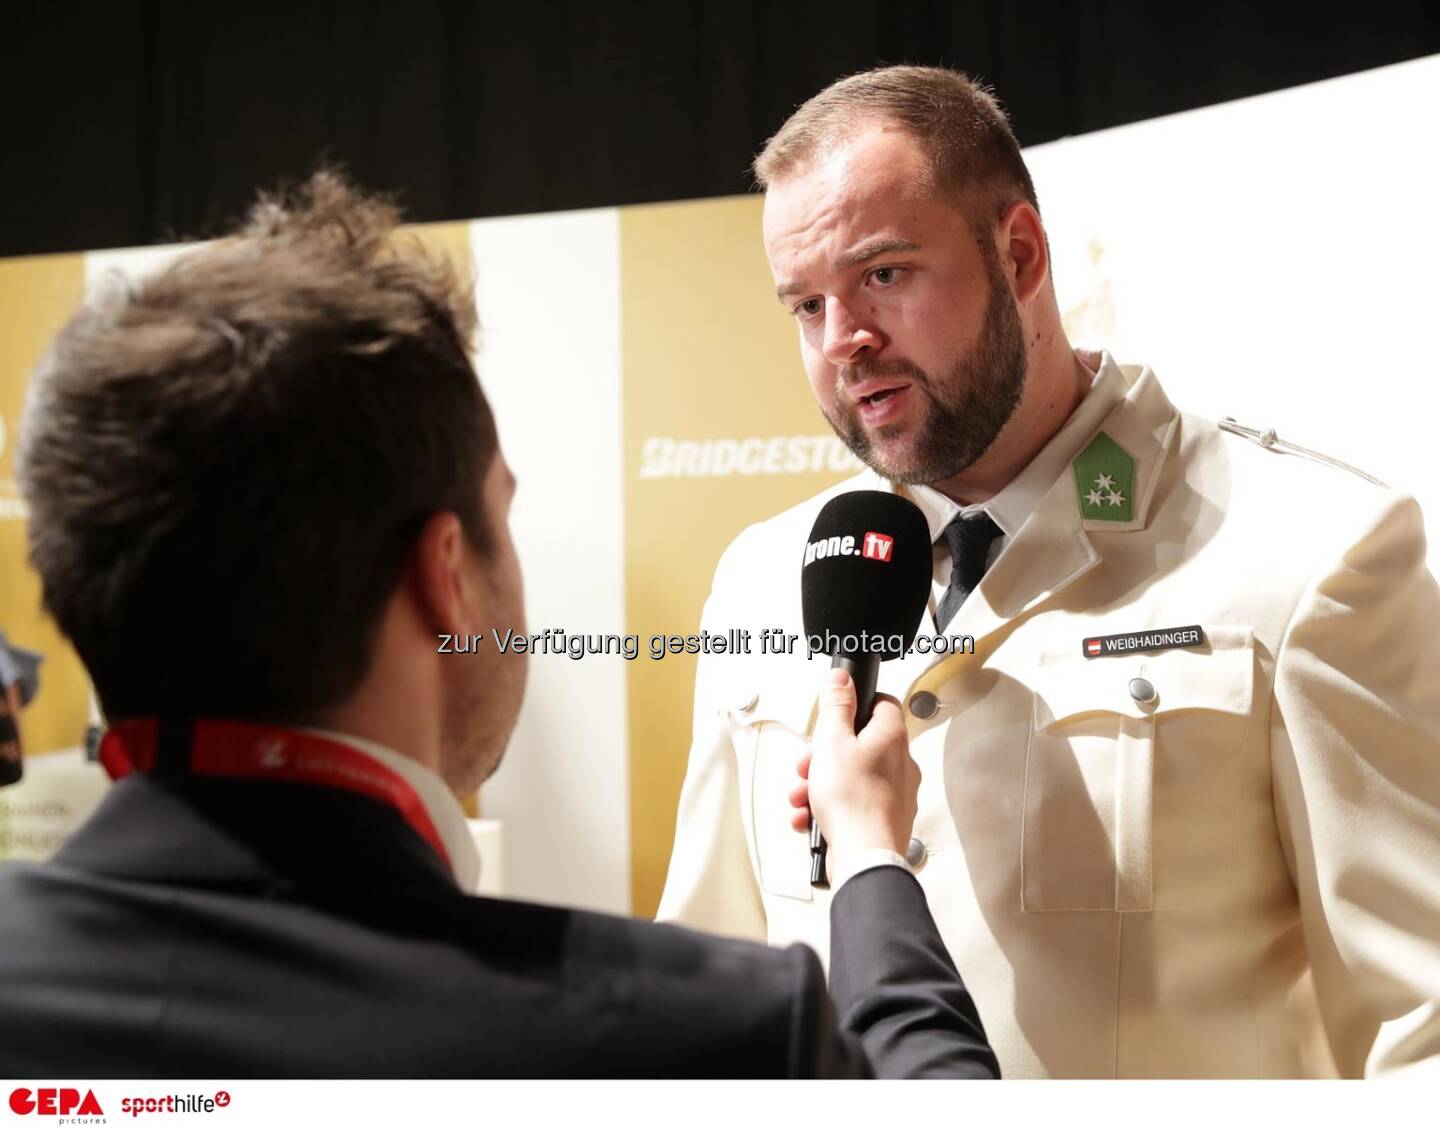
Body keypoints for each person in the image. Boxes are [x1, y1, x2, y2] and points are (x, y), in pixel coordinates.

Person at [0, 172, 997, 1079]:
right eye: (502, 513)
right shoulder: (696, 1041)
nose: (844, 333)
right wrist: (867, 852)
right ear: (447, 576)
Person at [658, 65, 1440, 1078]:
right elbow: (716, 990)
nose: (843, 341)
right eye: (806, 304)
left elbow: (1419, 1034)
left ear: (1018, 252)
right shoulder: (764, 576)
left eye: (883, 274)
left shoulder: (1314, 553)